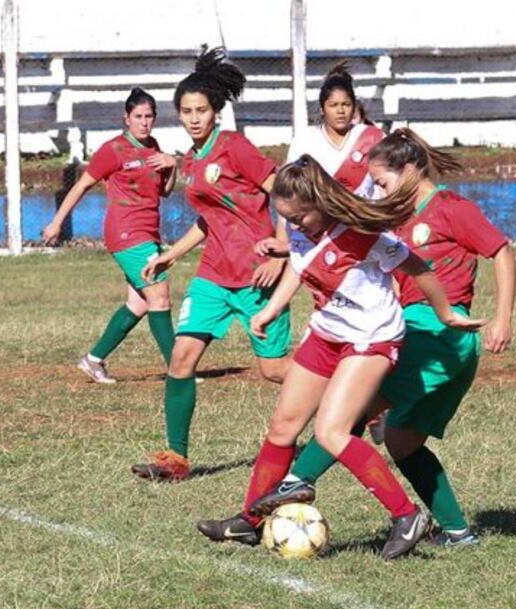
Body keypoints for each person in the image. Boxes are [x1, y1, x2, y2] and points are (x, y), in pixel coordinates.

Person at [195, 155, 485, 559]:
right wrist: (272, 308)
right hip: (327, 333)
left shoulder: (359, 233)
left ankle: (406, 516)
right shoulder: (298, 228)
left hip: (371, 339)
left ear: (320, 204)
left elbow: (418, 266)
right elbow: (299, 266)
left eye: (299, 218)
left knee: (333, 431)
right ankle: (251, 520)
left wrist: (445, 313)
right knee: (283, 426)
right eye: (285, 218)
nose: (292, 226)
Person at [276, 129, 516, 547]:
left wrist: (502, 318)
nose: (379, 190)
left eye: (383, 182)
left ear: (409, 171)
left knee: (348, 412)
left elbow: (501, 250)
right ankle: (459, 533)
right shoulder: (396, 216)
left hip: (438, 334)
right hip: (431, 336)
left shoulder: (449, 208)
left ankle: (294, 482)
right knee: (402, 441)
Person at [129, 47, 292, 482]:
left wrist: (280, 248)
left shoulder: (236, 148)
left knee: (275, 370)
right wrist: (172, 253)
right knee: (181, 359)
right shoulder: (194, 159)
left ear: (216, 112)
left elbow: (286, 194)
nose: (194, 117)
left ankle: (360, 400)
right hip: (213, 277)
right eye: (186, 111)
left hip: (257, 274)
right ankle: (175, 460)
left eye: (201, 110)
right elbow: (210, 218)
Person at [42, 88, 178, 383]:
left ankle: (93, 359)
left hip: (148, 231)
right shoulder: (113, 150)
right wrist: (56, 222)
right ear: (126, 118)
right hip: (126, 232)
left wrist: (172, 165)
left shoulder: (154, 147)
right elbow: (80, 186)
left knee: (140, 303)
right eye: (138, 117)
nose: (144, 122)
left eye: (149, 116)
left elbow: (165, 192)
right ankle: (179, 370)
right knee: (160, 296)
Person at [285, 62, 384, 198]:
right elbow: (289, 190)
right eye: (333, 105)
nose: (340, 111)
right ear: (322, 109)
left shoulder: (372, 137)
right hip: (321, 218)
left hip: (365, 217)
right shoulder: (304, 142)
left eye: (346, 104)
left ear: (354, 106)